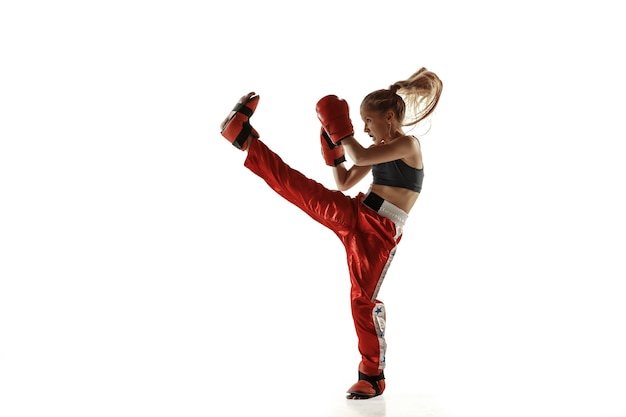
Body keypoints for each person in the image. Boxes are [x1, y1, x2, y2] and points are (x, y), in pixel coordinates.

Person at [219, 68, 443, 399]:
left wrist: (340, 131)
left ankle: (372, 376)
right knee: (298, 189)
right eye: (362, 123)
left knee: (361, 302)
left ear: (390, 117)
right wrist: (334, 156)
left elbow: (361, 154)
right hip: (357, 211)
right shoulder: (378, 147)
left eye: (369, 121)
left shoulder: (407, 145)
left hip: (378, 234)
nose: (365, 129)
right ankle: (243, 137)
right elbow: (345, 181)